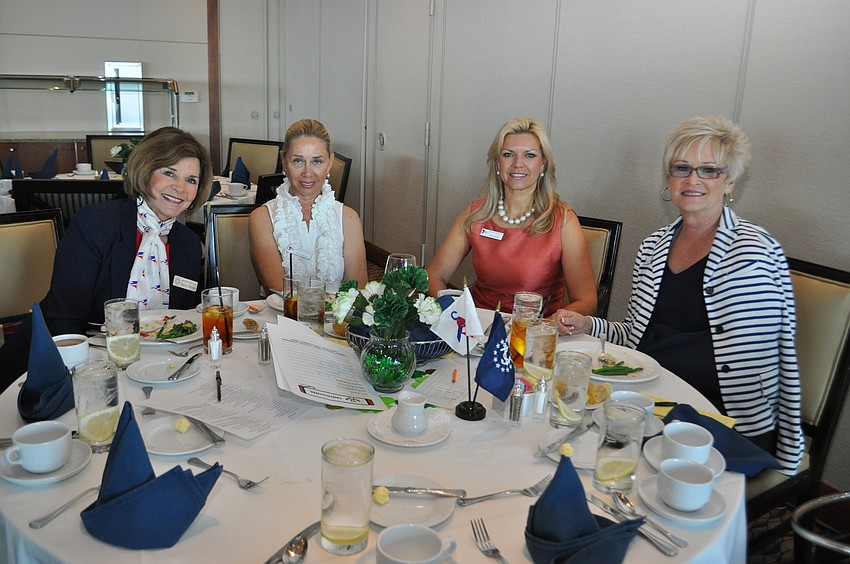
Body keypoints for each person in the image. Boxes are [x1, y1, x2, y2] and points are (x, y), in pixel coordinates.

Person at [558, 115, 803, 474]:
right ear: (668, 178)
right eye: (682, 168)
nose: (693, 180)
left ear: (730, 180)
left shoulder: (753, 253)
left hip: (718, 419)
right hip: (649, 401)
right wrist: (588, 324)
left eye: (709, 170)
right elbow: (636, 334)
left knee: (603, 461)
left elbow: (756, 369)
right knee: (564, 441)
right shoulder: (654, 246)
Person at [0, 126, 213, 390]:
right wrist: (92, 377)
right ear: (145, 172)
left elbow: (183, 322)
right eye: (169, 173)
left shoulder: (189, 244)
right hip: (68, 362)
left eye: (191, 180)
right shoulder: (96, 224)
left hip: (151, 367)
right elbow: (63, 318)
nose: (180, 188)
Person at [426, 117, 597, 318]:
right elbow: (434, 276)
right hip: (478, 328)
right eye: (508, 155)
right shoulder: (477, 213)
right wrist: (456, 314)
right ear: (498, 163)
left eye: (529, 155)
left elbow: (587, 302)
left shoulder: (563, 220)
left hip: (533, 333)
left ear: (543, 164)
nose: (518, 164)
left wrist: (546, 328)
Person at [249, 119, 367, 293]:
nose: (307, 173)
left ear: (330, 163)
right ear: (284, 161)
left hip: (337, 319)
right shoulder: (263, 218)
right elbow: (279, 290)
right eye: (298, 161)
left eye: (317, 161)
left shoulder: (348, 218)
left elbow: (357, 291)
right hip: (283, 317)